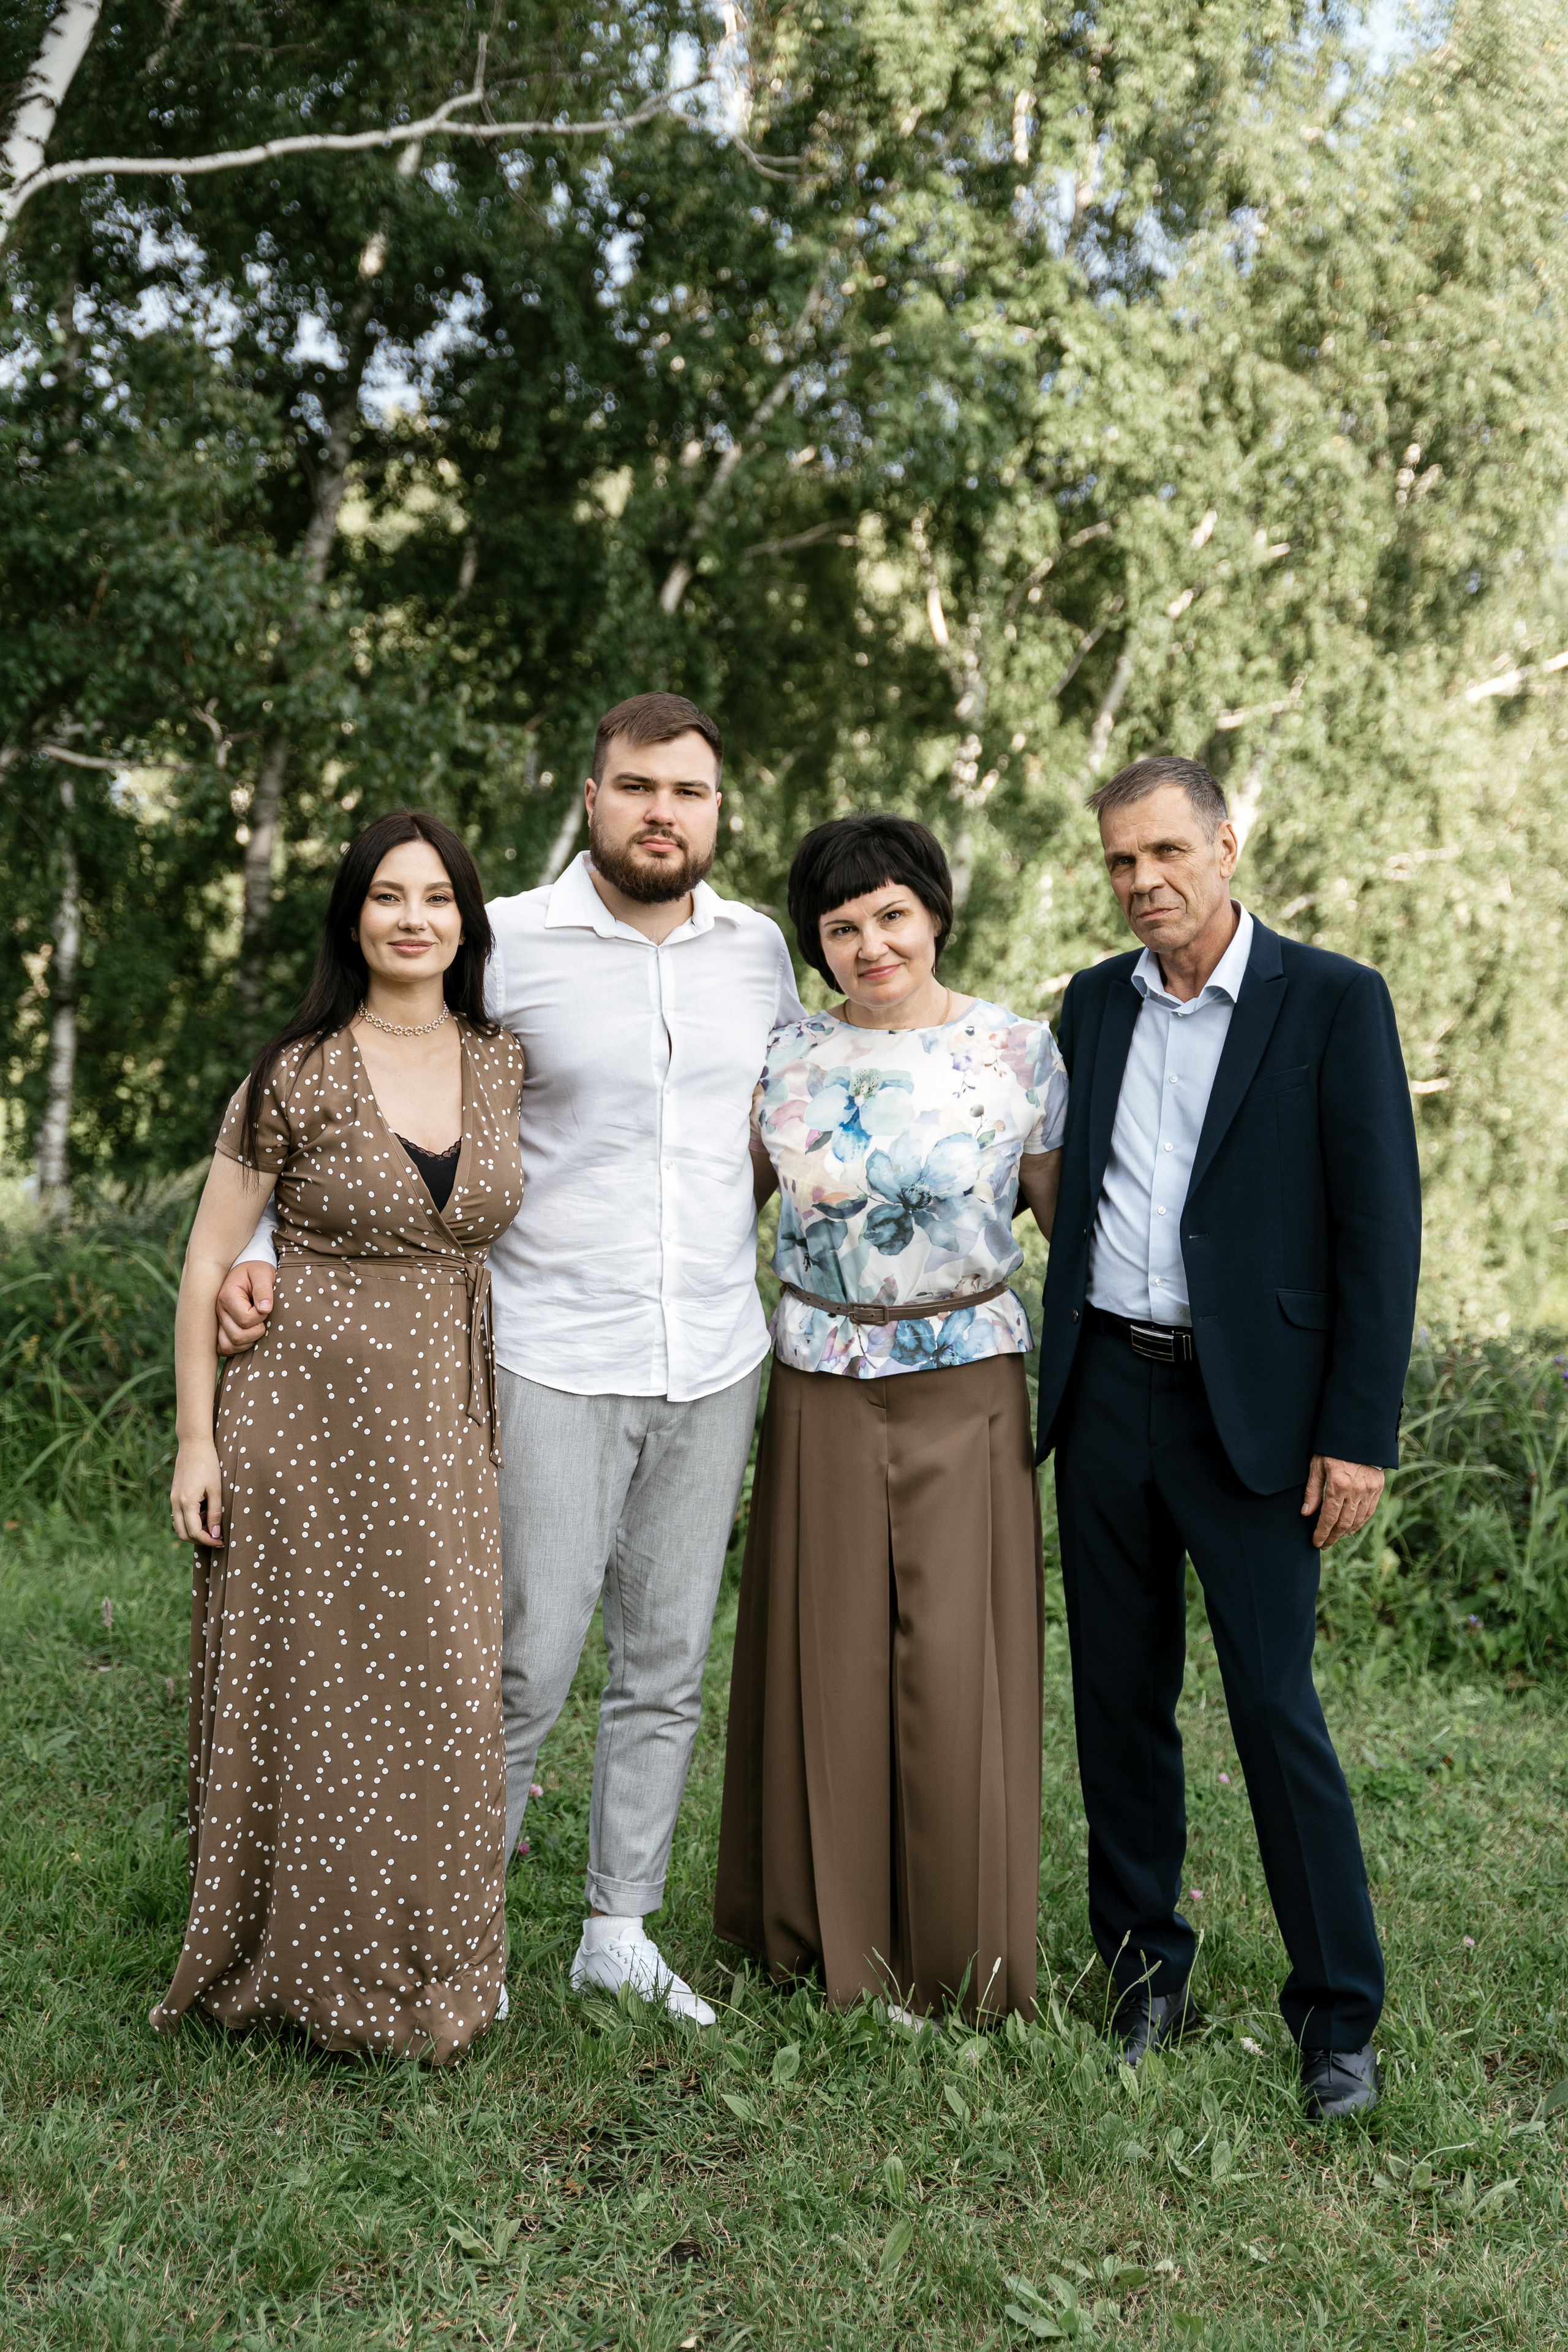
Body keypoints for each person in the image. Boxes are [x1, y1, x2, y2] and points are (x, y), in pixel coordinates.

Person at [216, 693, 802, 2028]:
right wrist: (254, 1237)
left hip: (713, 1349)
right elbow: (377, 1064)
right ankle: (448, 1922)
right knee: (523, 1658)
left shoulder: (757, 952)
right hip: (544, 1350)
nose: (664, 812)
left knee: (664, 1663)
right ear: (591, 799)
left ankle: (617, 1925)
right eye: (638, 787)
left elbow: (771, 1123)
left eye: (690, 792)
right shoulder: (511, 945)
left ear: (718, 811)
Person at [1035, 754, 1421, 2118]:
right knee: (1118, 1703)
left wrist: (1355, 1432)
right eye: (1118, 864)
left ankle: (1336, 2018)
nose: (1142, 883)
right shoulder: (1087, 1007)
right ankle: (1143, 1974)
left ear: (1224, 845)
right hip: (1105, 1398)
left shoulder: (1329, 1001)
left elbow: (1379, 1231)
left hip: (1252, 1417)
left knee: (1271, 1707)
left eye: (1163, 854)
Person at [155, 811, 526, 2062]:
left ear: (465, 920)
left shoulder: (502, 1062)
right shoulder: (294, 1072)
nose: (411, 917)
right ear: (351, 918)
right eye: (385, 896)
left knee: (441, 1688)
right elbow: (210, 1259)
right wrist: (195, 1444)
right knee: (305, 1685)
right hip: (298, 1425)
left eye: (434, 897)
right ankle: (290, 1968)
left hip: (442, 1424)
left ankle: (430, 1972)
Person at [715, 813, 1068, 2024]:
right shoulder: (788, 1060)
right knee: (831, 1660)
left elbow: (1074, 1240)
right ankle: (827, 1947)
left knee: (957, 1669)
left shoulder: (1018, 1054)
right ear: (818, 946)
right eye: (841, 927)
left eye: (891, 916)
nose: (871, 944)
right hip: (815, 1378)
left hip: (966, 1380)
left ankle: (962, 1960)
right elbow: (702, 1209)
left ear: (933, 911)